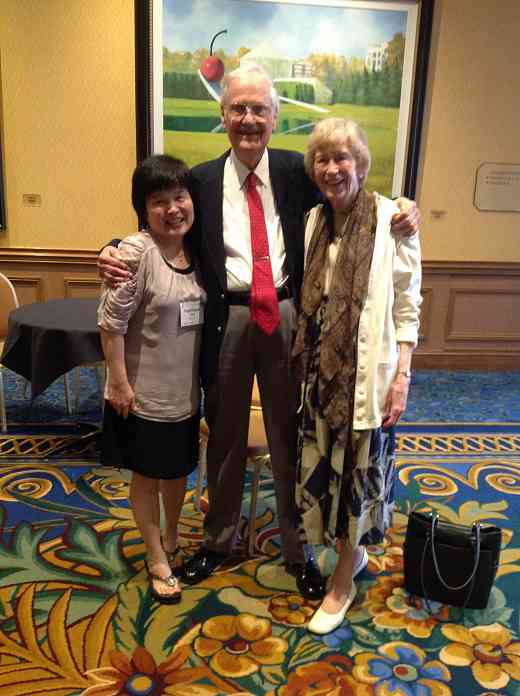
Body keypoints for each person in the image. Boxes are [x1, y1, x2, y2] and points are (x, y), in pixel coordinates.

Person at [97, 64, 420, 600]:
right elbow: (159, 222)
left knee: (290, 436)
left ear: (275, 117)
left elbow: (358, 193)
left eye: (260, 110)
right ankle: (217, 541)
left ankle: (298, 550)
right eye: (238, 109)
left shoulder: (301, 171)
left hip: (291, 315)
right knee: (223, 436)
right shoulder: (198, 181)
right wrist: (111, 245)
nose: (249, 120)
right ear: (223, 116)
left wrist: (405, 209)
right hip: (225, 317)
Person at [291, 117, 422, 634]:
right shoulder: (312, 222)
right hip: (320, 380)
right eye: (323, 159)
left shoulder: (394, 220)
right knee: (328, 475)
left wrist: (402, 377)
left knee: (354, 482)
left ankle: (341, 582)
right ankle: (351, 556)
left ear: (361, 164)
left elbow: (409, 307)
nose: (332, 168)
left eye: (342, 157)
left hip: (367, 381)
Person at [98, 154, 206, 604]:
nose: (172, 208)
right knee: (146, 477)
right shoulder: (135, 253)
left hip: (185, 395)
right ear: (143, 209)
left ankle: (173, 534)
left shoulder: (198, 249)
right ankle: (155, 554)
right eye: (158, 201)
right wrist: (120, 384)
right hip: (142, 394)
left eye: (179, 196)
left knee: (177, 473)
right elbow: (110, 322)